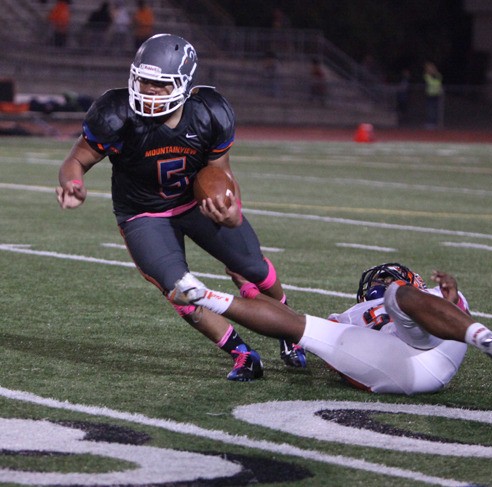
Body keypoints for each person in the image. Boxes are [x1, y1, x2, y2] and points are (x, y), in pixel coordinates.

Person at [55, 33, 306, 382]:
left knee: (251, 267)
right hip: (144, 214)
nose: (148, 90)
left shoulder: (209, 112)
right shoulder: (116, 112)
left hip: (194, 203)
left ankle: (289, 329)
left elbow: (221, 171)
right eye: (143, 80)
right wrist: (73, 183)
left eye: (160, 84)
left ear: (184, 84)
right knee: (180, 289)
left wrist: (231, 205)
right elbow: (76, 159)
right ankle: (242, 354)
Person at [169, 262, 492, 395]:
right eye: (379, 278)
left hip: (437, 341)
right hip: (397, 364)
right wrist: (247, 288)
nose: (381, 280)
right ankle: (204, 296)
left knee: (405, 296)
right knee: (300, 327)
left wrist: (451, 300)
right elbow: (300, 329)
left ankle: (487, 338)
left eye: (387, 275)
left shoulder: (421, 292)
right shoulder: (352, 313)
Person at [423, 61, 443, 129]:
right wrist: (436, 83)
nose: (430, 69)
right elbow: (432, 83)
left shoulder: (438, 75)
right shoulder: (426, 75)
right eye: (429, 68)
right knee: (430, 109)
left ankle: (435, 123)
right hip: (429, 95)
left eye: (432, 68)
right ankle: (430, 122)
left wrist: (436, 82)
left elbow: (437, 83)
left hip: (436, 95)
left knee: (436, 109)